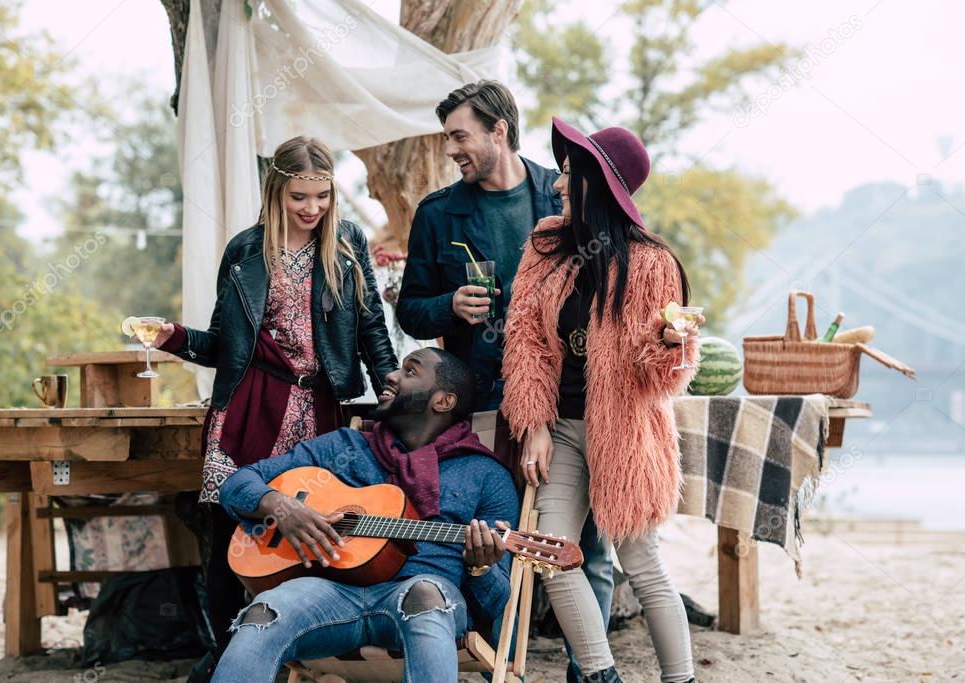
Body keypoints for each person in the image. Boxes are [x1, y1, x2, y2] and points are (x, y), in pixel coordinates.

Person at [151, 136, 398, 679]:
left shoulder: (348, 242)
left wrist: (389, 388)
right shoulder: (244, 250)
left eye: (322, 197)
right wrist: (175, 339)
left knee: (318, 533)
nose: (312, 210)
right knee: (231, 536)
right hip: (247, 406)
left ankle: (302, 652)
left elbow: (373, 331)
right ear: (274, 193)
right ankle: (224, 655)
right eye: (298, 198)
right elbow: (223, 344)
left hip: (321, 407)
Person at [395, 80, 614, 681]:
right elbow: (410, 308)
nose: (451, 150)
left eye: (460, 136)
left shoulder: (562, 195)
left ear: (499, 130)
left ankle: (587, 671)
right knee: (492, 537)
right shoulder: (438, 214)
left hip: (572, 404)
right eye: (447, 139)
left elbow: (609, 280)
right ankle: (502, 660)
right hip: (484, 403)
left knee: (587, 547)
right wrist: (448, 306)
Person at [500, 117, 704, 683]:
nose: (559, 184)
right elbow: (523, 339)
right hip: (562, 429)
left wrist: (667, 345)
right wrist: (535, 423)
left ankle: (680, 679)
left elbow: (661, 378)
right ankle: (599, 674)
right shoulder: (545, 245)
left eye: (569, 173)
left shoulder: (651, 263)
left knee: (642, 564)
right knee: (551, 554)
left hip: (628, 435)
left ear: (597, 182)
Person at [211, 348, 519, 682]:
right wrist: (282, 508)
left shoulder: (486, 475)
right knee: (263, 610)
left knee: (426, 595)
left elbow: (495, 603)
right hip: (330, 594)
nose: (390, 375)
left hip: (422, 598)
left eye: (410, 371)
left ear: (442, 401)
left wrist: (480, 566)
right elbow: (236, 483)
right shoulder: (344, 447)